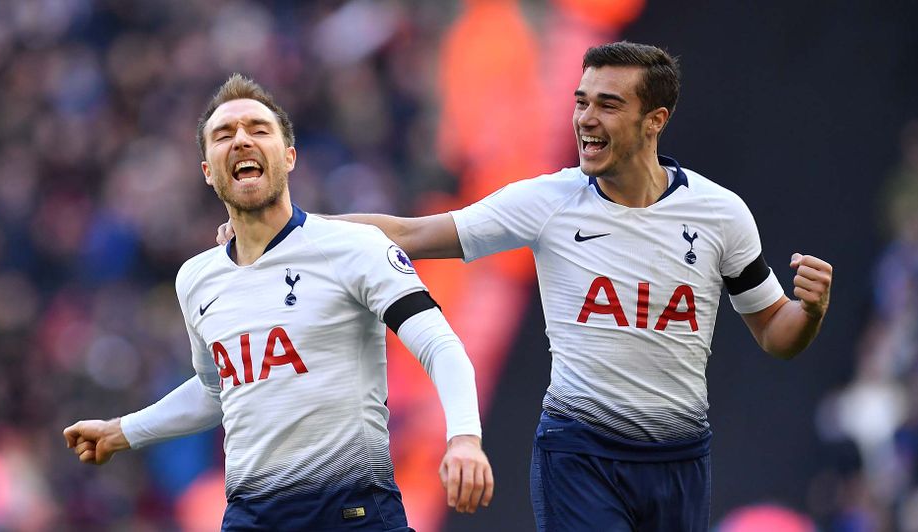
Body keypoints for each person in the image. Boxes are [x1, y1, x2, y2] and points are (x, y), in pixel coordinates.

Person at [218, 41, 833, 531]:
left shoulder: (720, 214)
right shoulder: (548, 201)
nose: (586, 120)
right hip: (579, 451)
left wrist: (808, 312)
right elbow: (414, 232)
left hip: (679, 460)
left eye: (608, 105)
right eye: (581, 100)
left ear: (656, 121)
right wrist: (282, 225)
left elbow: (775, 334)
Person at [63, 74, 494, 531]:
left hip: (353, 513)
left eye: (259, 129)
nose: (242, 140)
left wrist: (464, 436)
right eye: (224, 135)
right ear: (208, 171)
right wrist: (122, 431)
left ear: (288, 158)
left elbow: (439, 345)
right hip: (252, 518)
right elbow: (216, 390)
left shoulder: (353, 248)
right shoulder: (197, 279)